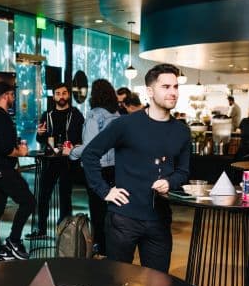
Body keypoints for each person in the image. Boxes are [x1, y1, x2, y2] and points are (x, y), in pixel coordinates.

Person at [81, 64, 190, 272]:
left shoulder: (182, 131)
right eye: (166, 86)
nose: (173, 92)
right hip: (123, 219)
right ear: (150, 91)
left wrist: (170, 182)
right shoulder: (126, 124)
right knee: (117, 284)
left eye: (175, 87)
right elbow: (90, 154)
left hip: (159, 220)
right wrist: (104, 191)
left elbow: (183, 172)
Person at [69, 79, 120, 256]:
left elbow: (91, 149)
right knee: (111, 210)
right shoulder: (117, 115)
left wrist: (72, 151)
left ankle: (101, 248)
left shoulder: (94, 115)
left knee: (97, 211)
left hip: (97, 168)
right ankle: (111, 248)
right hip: (114, 168)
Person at [0, 81, 34, 262]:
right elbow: (6, 148)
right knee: (29, 202)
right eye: (12, 95)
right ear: (5, 96)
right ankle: (13, 240)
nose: (14, 98)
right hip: (4, 170)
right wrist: (20, 152)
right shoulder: (2, 117)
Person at [35, 82, 84, 237]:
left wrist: (74, 147)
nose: (61, 96)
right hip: (50, 160)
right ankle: (41, 229)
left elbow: (82, 138)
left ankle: (64, 230)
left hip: (68, 161)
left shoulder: (76, 114)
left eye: (64, 93)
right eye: (58, 93)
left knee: (65, 196)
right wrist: (40, 133)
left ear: (68, 95)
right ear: (54, 96)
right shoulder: (47, 114)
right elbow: (40, 138)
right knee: (43, 195)